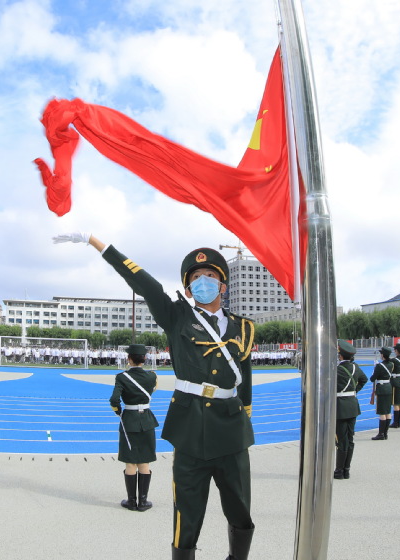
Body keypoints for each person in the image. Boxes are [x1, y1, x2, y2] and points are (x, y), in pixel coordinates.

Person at [55, 233, 255, 560]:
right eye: (195, 278)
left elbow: (243, 376)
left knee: (240, 509)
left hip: (232, 430)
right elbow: (144, 283)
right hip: (190, 427)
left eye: (210, 277)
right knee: (187, 516)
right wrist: (99, 244)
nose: (203, 281)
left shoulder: (244, 328)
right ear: (188, 290)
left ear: (223, 285)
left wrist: (246, 413)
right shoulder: (176, 316)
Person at [110, 343, 159, 512]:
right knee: (144, 462)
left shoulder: (122, 377)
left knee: (130, 463)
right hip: (146, 419)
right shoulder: (152, 376)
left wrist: (119, 412)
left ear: (129, 359)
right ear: (144, 359)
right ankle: (143, 502)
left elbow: (114, 400)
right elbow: (152, 390)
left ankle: (131, 501)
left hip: (129, 420)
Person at [335, 340, 367, 478]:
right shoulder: (355, 368)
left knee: (341, 439)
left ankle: (339, 471)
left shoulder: (336, 370)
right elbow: (364, 380)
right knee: (350, 437)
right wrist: (353, 392)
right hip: (353, 405)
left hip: (340, 407)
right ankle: (346, 469)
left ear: (340, 355)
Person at [369, 347, 394, 441]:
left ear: (383, 355)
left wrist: (375, 368)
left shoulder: (380, 366)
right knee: (388, 411)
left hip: (382, 388)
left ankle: (381, 434)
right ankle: (385, 433)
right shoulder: (391, 364)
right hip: (388, 387)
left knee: (382, 412)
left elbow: (372, 378)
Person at [389, 343, 400, 428]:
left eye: (395, 350)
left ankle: (395, 422)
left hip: (394, 380)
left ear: (397, 351)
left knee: (395, 402)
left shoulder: (394, 360)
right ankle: (398, 422)